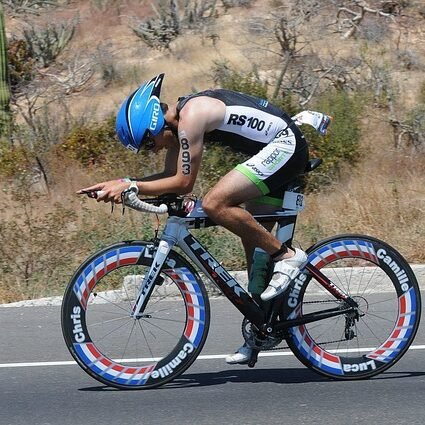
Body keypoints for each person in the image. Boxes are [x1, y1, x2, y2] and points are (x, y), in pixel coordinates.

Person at [78, 73, 330, 364]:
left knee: (214, 204)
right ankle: (263, 329)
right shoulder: (175, 125)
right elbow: (168, 179)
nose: (154, 149)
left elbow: (184, 183)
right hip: (271, 150)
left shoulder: (191, 116)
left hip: (285, 146)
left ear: (154, 125)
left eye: (149, 144)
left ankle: (288, 256)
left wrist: (129, 185)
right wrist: (122, 182)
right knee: (255, 248)